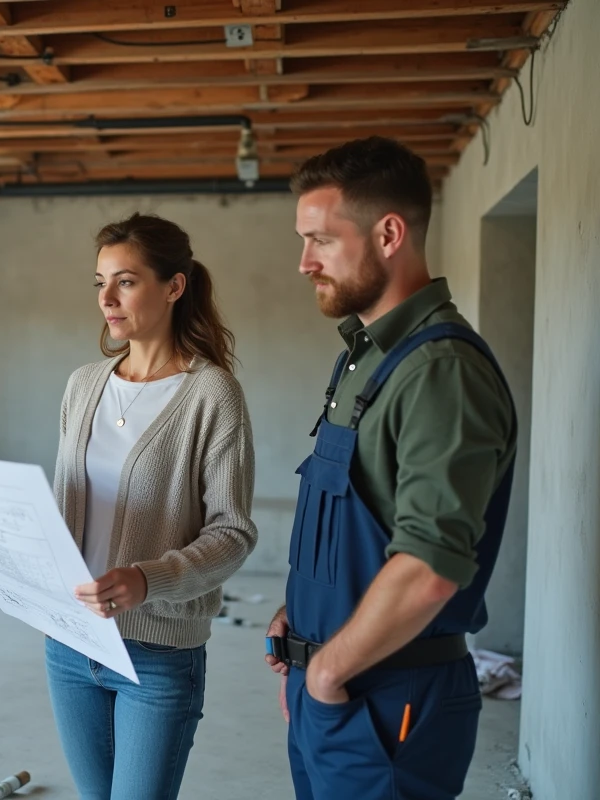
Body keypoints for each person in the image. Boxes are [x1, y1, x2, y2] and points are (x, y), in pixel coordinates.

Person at [0, 212, 257, 800]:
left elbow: (233, 533)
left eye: (126, 281)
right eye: (100, 282)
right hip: (69, 644)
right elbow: (64, 514)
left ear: (174, 286)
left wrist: (148, 579)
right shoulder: (83, 385)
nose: (106, 298)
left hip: (157, 653)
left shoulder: (211, 394)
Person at [265, 137, 517, 799]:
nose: (304, 262)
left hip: (385, 697)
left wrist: (327, 672)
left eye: (321, 240)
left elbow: (430, 567)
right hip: (333, 684)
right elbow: (361, 517)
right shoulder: (366, 355)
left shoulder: (440, 370)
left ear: (388, 234)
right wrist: (302, 618)